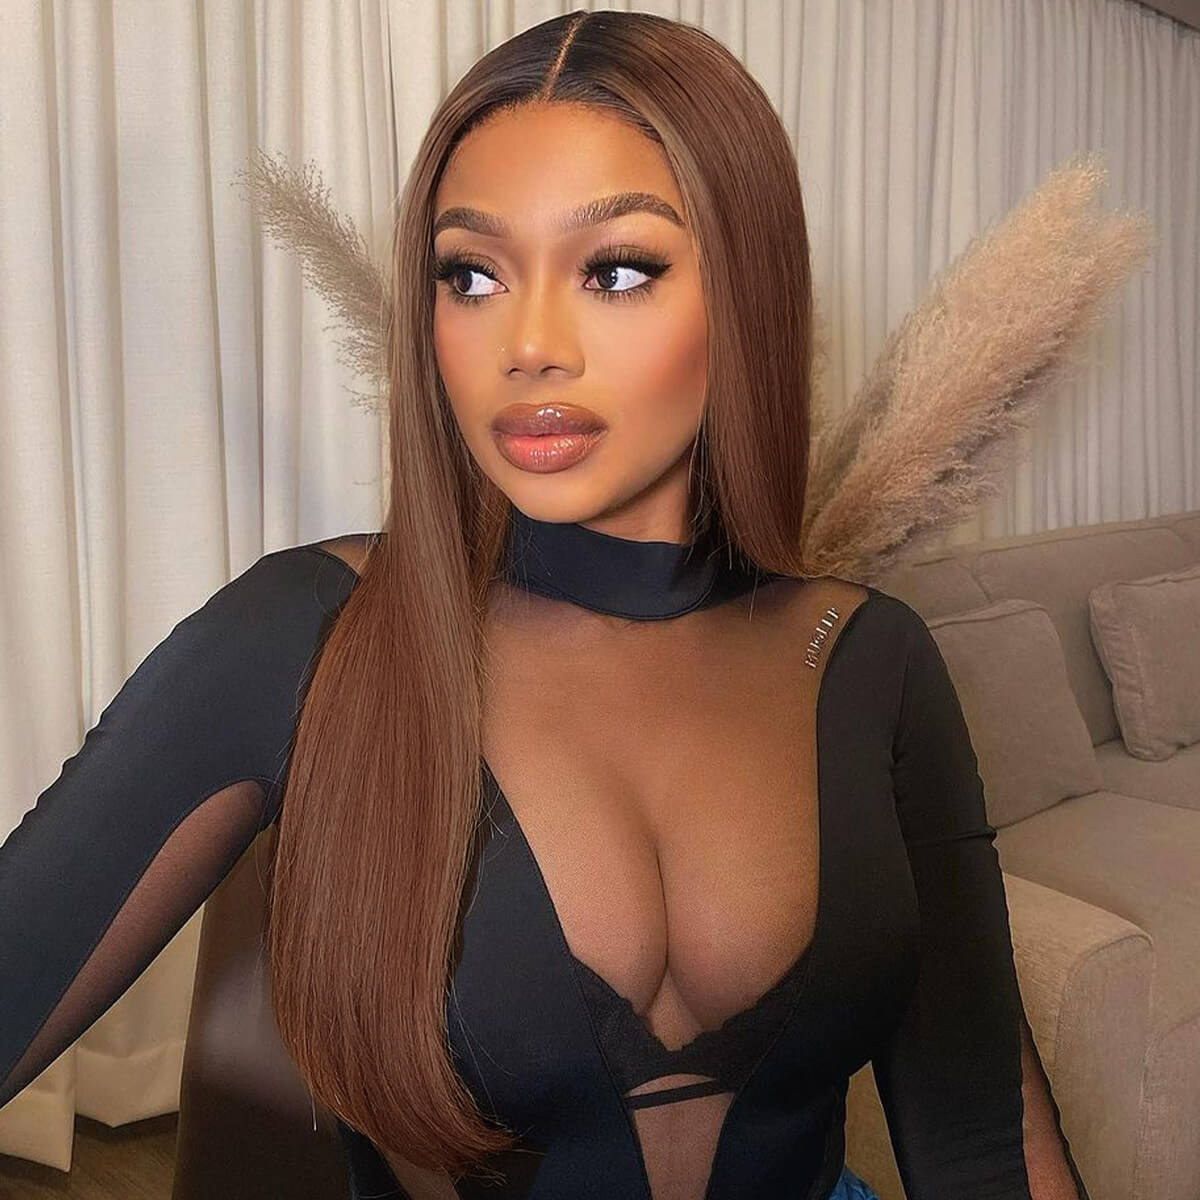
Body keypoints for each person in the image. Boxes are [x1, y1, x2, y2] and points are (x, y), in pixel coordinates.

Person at [0, 10, 1094, 1200]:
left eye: (615, 270)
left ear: (748, 289)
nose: (526, 345)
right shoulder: (302, 633)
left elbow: (983, 1145)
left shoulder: (872, 657)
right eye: (471, 275)